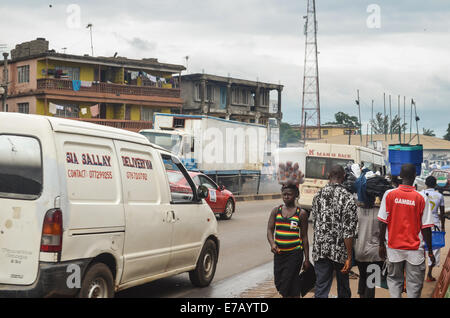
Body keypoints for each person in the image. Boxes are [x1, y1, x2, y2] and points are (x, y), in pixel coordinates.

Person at [378, 164, 435, 298]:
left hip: (393, 248)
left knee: (394, 282)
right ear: (415, 176)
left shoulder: (389, 195)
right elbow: (426, 228)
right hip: (415, 251)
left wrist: (381, 245)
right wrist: (431, 251)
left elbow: (382, 222)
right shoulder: (421, 198)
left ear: (401, 176)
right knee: (414, 286)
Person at [311, 165, 358, 298]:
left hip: (320, 249)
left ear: (328, 177)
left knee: (321, 286)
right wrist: (349, 257)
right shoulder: (348, 198)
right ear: (343, 177)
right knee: (343, 287)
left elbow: (315, 224)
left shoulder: (317, 196)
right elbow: (348, 232)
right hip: (340, 251)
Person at [267, 183, 310, 298]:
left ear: (296, 195)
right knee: (279, 283)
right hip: (279, 254)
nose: (286, 197)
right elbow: (270, 230)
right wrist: (272, 243)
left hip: (294, 255)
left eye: (289, 194)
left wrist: (307, 259)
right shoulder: (276, 211)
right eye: (284, 194)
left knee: (289, 283)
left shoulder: (301, 213)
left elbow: (304, 237)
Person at [421, 175, 446, 282]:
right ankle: (429, 275)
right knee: (434, 250)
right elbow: (442, 213)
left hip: (421, 224)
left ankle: (419, 274)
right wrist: (443, 227)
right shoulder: (439, 196)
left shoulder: (420, 194)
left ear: (426, 184)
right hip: (434, 225)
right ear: (435, 184)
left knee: (421, 247)